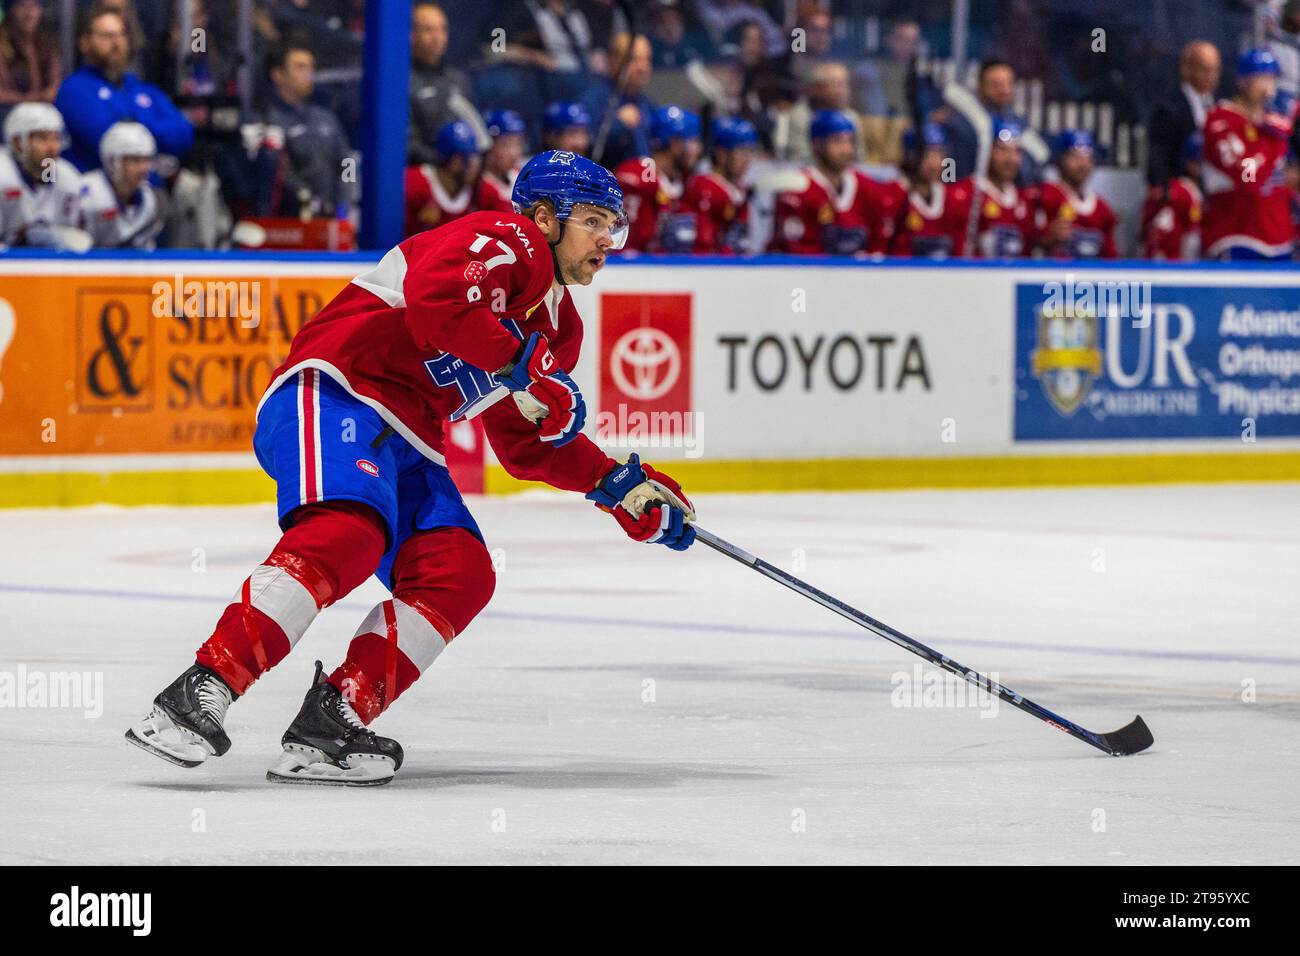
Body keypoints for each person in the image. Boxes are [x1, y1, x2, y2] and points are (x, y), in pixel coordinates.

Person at [126, 149, 696, 787]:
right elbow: (437, 302)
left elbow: (523, 443)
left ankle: (330, 724)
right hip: (339, 389)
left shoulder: (560, 328)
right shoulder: (506, 239)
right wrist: (529, 369)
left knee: (459, 571)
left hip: (410, 438)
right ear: (545, 216)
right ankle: (199, 691)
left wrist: (614, 484)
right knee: (347, 532)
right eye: (594, 221)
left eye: (614, 227)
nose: (607, 241)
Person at [53, 3, 192, 172]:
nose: (116, 42)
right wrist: (153, 132)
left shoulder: (142, 89)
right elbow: (111, 144)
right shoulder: (74, 91)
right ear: (85, 43)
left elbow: (184, 135)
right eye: (107, 36)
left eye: (121, 35)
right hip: (94, 191)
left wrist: (131, 123)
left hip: (147, 188)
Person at [1202, 48, 1297, 260]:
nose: (1267, 86)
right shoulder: (1221, 121)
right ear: (1242, 81)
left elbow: (1285, 179)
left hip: (1279, 239)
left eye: (1270, 78)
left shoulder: (1274, 125)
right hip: (1237, 236)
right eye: (1259, 78)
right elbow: (1248, 178)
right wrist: (1272, 136)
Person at [769, 109, 882, 256]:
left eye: (850, 141)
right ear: (816, 145)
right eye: (837, 141)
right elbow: (798, 253)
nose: (846, 149)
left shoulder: (868, 187)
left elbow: (880, 244)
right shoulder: (797, 189)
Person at [259, 40, 351, 219]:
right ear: (278, 74)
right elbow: (279, 173)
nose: (309, 74)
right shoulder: (266, 120)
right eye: (300, 67)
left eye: (311, 67)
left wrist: (345, 198)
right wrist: (308, 199)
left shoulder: (326, 118)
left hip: (333, 217)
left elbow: (347, 162)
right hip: (290, 221)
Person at [938, 58, 1047, 184]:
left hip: (1006, 197)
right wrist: (949, 186)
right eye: (997, 85)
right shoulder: (963, 121)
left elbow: (1040, 160)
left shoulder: (1020, 124)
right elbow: (949, 161)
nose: (1004, 90)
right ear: (981, 86)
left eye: (1009, 84)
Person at [613, 104, 700, 253]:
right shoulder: (638, 176)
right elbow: (626, 247)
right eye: (693, 142)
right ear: (675, 143)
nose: (697, 149)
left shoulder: (683, 182)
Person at [407, 1, 484, 167]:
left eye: (442, 29)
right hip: (424, 174)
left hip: (462, 172)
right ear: (411, 34)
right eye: (428, 30)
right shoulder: (403, 83)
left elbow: (475, 130)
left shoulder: (459, 80)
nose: (437, 37)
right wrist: (445, 164)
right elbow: (409, 145)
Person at [0, 100, 85, 248]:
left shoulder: (67, 179)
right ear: (17, 142)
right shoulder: (4, 175)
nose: (52, 147)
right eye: (42, 138)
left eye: (56, 138)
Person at [888, 122, 973, 259]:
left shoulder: (954, 199)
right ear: (910, 155)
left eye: (939, 154)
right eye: (927, 155)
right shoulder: (892, 197)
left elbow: (961, 254)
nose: (935, 164)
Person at [404, 119, 500, 237]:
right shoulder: (413, 184)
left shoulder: (484, 192)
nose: (474, 167)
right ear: (451, 161)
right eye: (466, 159)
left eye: (475, 158)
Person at [1032, 129, 1118, 259]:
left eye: (1088, 158)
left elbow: (1111, 257)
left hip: (1089, 278)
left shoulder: (1102, 209)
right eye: (1075, 157)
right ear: (1060, 159)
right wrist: (1046, 239)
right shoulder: (1043, 196)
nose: (1082, 164)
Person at [79, 119, 164, 249]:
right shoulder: (87, 195)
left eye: (146, 160)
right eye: (135, 161)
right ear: (112, 162)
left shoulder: (149, 200)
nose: (143, 168)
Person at [1147, 41, 1221, 188]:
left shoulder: (1222, 107)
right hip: (1182, 196)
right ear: (1186, 69)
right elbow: (1159, 163)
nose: (1210, 76)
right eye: (1204, 70)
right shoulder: (1168, 109)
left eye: (1214, 70)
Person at [683, 115, 756, 254]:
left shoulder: (738, 188)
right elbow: (703, 246)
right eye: (741, 152)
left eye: (750, 152)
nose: (747, 160)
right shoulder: (705, 188)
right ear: (722, 154)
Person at [963, 119, 1033, 258]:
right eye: (1002, 150)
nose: (1010, 159)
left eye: (1016, 151)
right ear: (987, 151)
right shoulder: (966, 193)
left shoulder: (1025, 199)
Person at [1141, 133, 1203, 260]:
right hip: (1174, 267)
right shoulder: (1190, 193)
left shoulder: (1168, 188)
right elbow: (1193, 240)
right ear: (1191, 164)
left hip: (1148, 265)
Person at [0, 0, 61, 114]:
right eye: (22, 6)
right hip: (6, 114)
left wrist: (36, 100)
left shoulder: (47, 43)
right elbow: (2, 95)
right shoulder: (2, 45)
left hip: (42, 113)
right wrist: (31, 100)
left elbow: (55, 89)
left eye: (34, 6)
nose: (29, 13)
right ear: (10, 10)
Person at [479, 108, 527, 213]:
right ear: (488, 146)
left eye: (518, 144)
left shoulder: (520, 176)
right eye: (506, 145)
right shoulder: (480, 188)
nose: (514, 153)